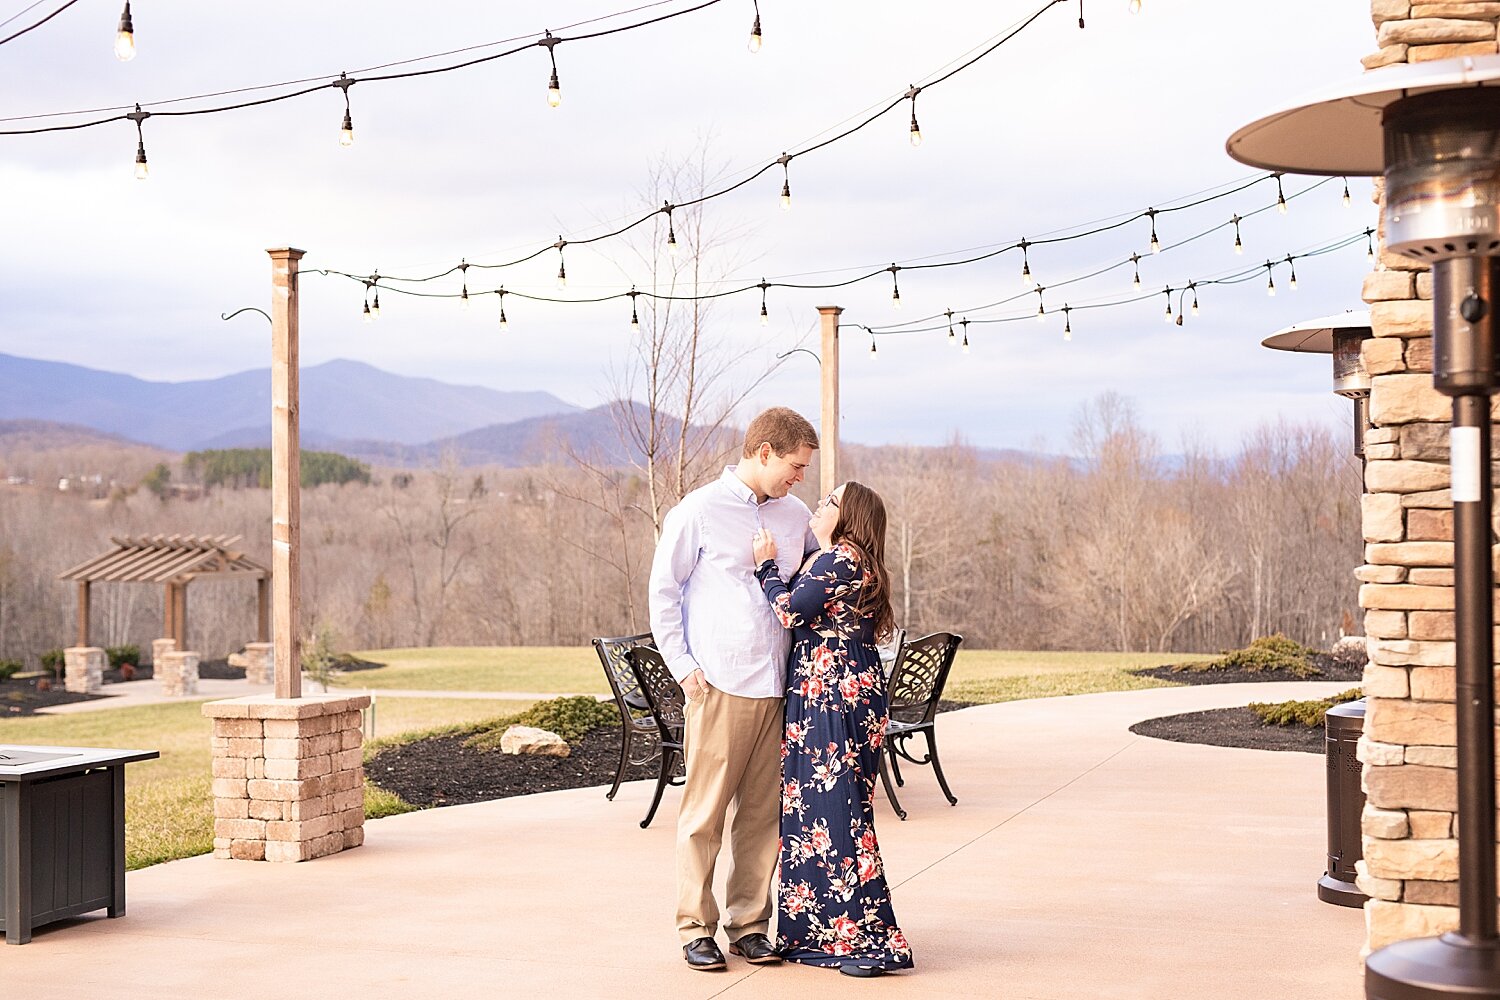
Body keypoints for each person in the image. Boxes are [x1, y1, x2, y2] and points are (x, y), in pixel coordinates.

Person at [648, 406, 820, 972]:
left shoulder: (796, 517)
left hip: (780, 685)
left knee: (763, 816)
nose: (800, 477)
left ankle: (750, 924)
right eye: (795, 466)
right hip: (719, 683)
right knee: (705, 815)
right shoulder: (697, 511)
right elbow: (663, 593)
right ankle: (695, 926)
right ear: (764, 451)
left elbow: (807, 591)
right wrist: (682, 666)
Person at [751, 481, 914, 978]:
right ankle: (818, 933)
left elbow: (788, 611)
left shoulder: (839, 558)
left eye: (830, 502)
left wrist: (765, 566)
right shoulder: (847, 559)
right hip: (842, 687)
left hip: (831, 690)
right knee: (820, 811)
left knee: (833, 812)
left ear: (849, 517)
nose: (819, 507)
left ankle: (870, 943)